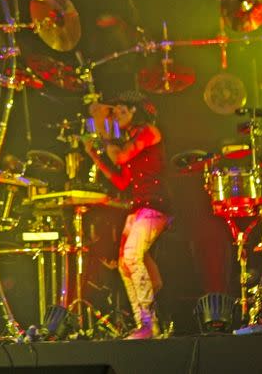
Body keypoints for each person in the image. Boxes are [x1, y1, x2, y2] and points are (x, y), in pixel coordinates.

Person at [83, 92, 171, 339]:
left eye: (123, 111)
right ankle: (144, 323)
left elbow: (120, 156)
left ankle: (148, 324)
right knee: (124, 264)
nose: (117, 116)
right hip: (140, 206)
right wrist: (94, 156)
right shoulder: (130, 138)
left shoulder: (149, 132)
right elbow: (122, 182)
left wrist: (104, 132)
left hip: (156, 205)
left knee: (132, 257)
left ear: (136, 111)